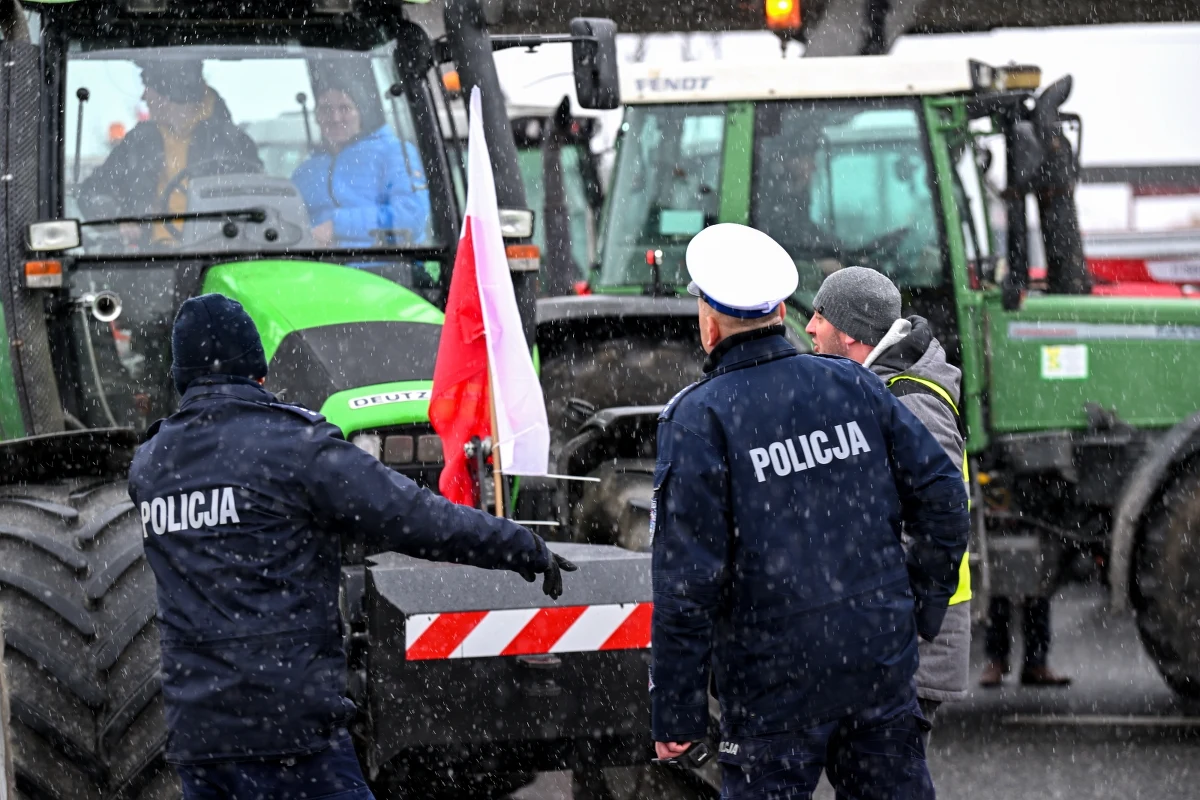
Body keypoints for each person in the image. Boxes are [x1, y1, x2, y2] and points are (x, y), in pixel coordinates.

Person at [128, 294, 574, 799]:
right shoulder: (294, 446)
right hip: (291, 730)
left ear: (180, 375)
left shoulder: (150, 466)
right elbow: (417, 517)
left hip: (201, 737)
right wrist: (518, 544)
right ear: (257, 369)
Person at [650, 223, 970, 799]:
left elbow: (686, 582)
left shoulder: (698, 418)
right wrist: (911, 610)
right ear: (780, 309)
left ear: (709, 321)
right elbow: (944, 499)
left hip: (771, 685)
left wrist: (676, 710)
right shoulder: (852, 383)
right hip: (876, 667)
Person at [805, 266, 974, 734]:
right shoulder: (878, 386)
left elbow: (940, 518)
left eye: (820, 316)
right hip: (896, 633)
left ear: (852, 334)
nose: (810, 327)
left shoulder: (912, 402)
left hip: (915, 642)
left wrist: (898, 614)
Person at [79, 60, 262, 222]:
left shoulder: (233, 144)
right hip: (145, 256)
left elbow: (259, 204)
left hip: (220, 250)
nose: (144, 97)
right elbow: (92, 192)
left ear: (169, 94)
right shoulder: (138, 142)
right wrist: (120, 216)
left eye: (148, 87)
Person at [291, 82, 430, 248]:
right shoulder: (305, 171)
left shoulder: (394, 152)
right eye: (326, 110)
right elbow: (289, 222)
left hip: (384, 266)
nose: (335, 118)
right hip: (315, 268)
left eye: (345, 108)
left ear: (361, 113)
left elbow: (412, 216)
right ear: (316, 117)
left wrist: (337, 226)